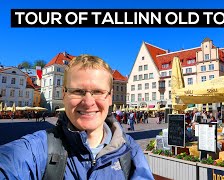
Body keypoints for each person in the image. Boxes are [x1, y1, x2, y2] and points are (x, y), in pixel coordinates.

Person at [0, 55, 153, 179]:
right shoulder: (37, 149)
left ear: (110, 97)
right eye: (78, 91)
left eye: (98, 92)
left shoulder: (129, 150)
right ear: (64, 95)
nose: (88, 102)